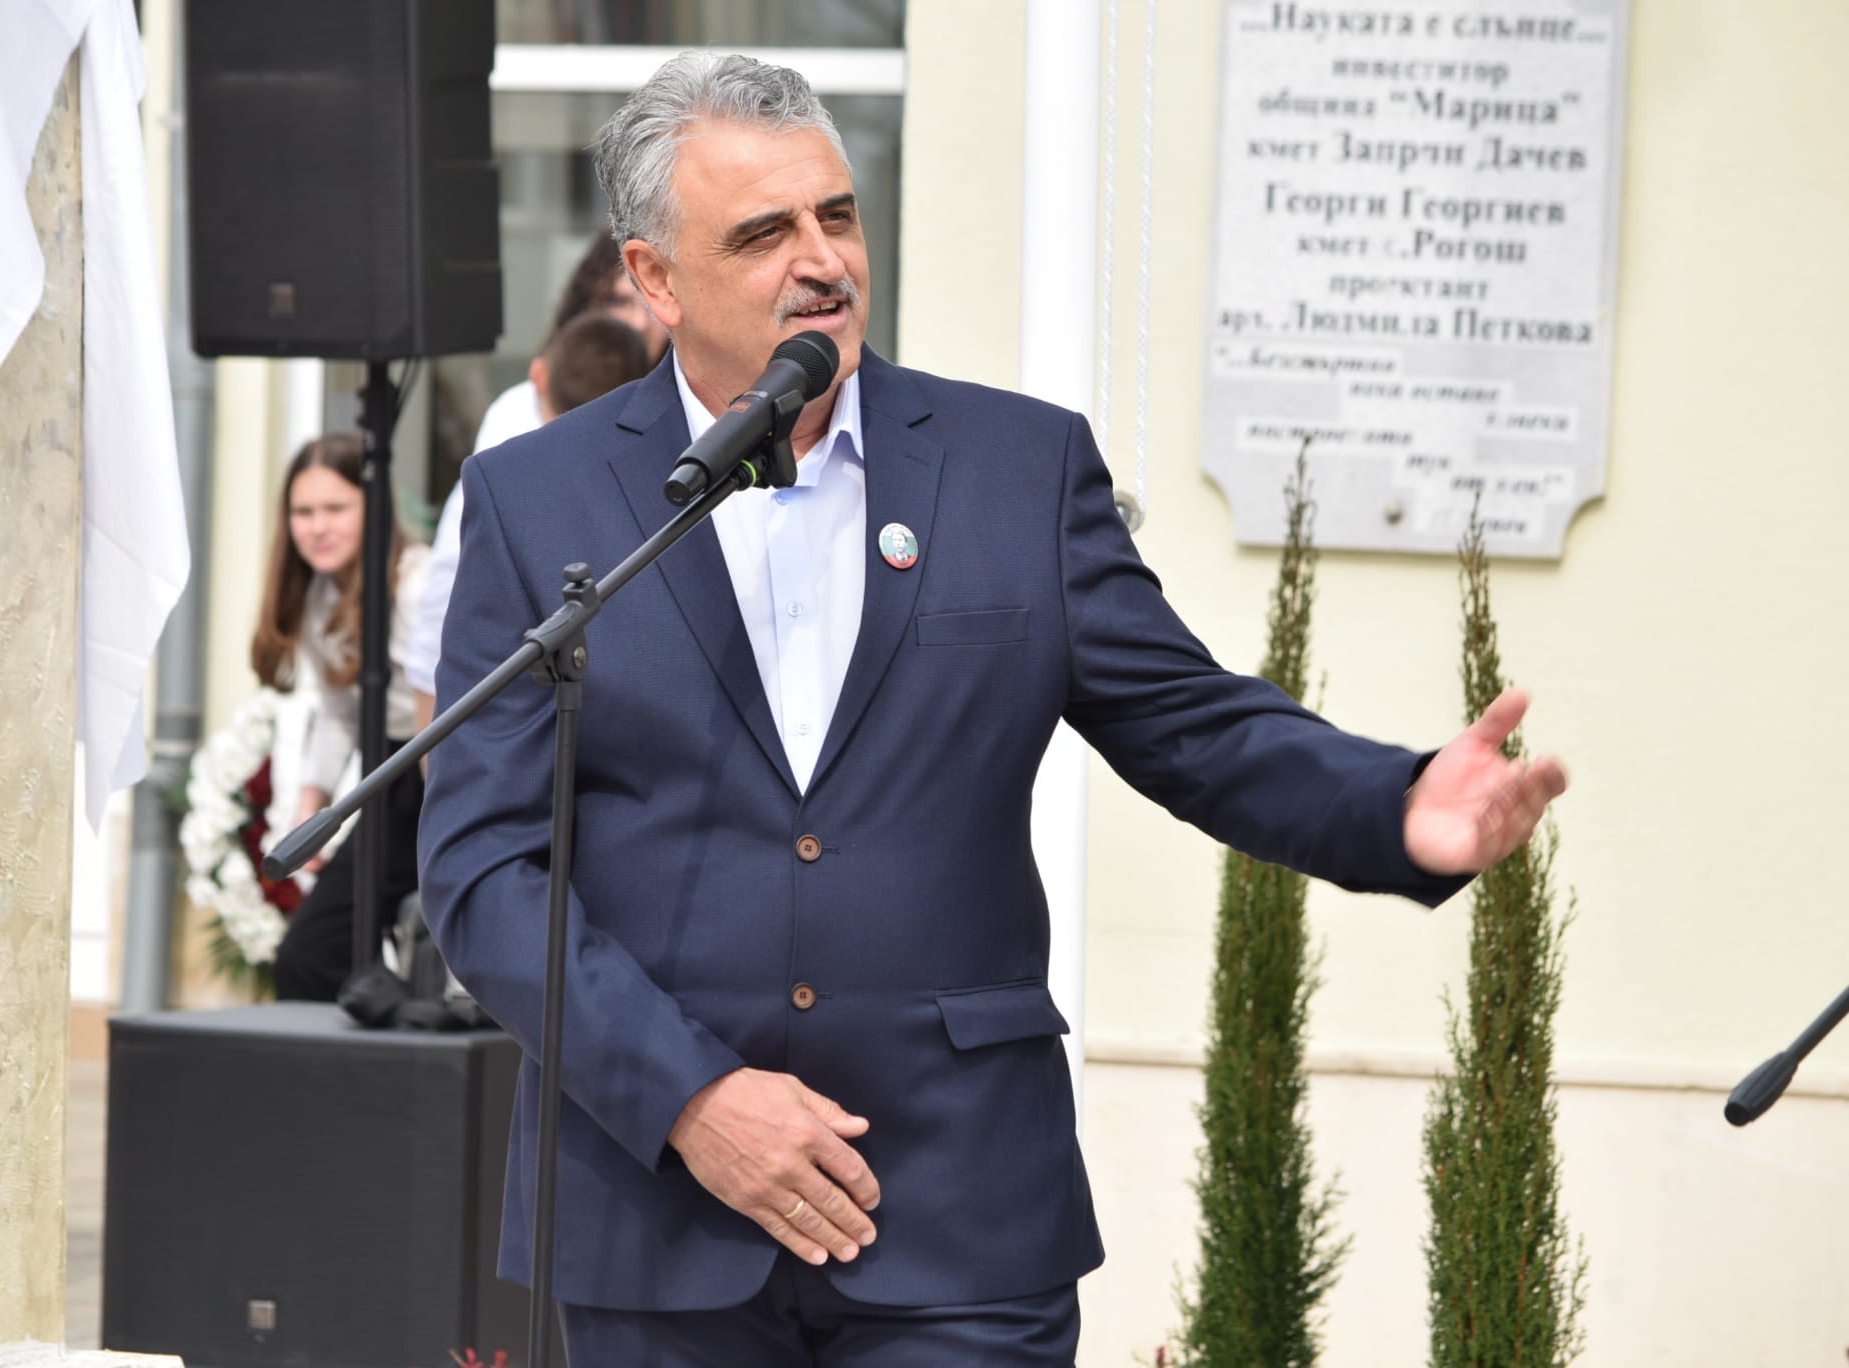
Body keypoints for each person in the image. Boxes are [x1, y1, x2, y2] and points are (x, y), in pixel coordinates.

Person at [419, 53, 1569, 1366]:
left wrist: (1394, 805)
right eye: (763, 233)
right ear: (656, 278)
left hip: (955, 1213)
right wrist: (690, 1098)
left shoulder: (1013, 469)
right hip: (658, 1220)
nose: (822, 261)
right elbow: (484, 866)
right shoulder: (540, 500)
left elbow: (1192, 724)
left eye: (836, 216)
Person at [407, 231, 670, 726]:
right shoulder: (521, 415)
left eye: (648, 303)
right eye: (619, 300)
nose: (637, 321)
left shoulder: (689, 417)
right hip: (532, 700)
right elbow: (456, 576)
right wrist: (432, 726)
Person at [250, 432, 430, 1002]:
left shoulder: (418, 585)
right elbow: (339, 713)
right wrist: (311, 805)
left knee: (329, 953)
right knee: (313, 956)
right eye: (303, 512)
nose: (317, 527)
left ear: (374, 509)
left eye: (335, 508)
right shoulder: (317, 596)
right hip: (390, 774)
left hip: (439, 770)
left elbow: (448, 698)